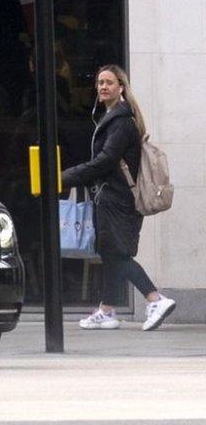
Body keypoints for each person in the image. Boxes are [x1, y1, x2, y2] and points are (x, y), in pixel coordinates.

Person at [62, 65, 176, 331]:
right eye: (100, 82)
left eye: (109, 83)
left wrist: (64, 177)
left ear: (121, 87)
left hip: (118, 200)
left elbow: (105, 161)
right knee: (110, 253)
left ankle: (155, 298)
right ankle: (107, 310)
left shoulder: (121, 122)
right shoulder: (114, 118)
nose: (103, 87)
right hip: (110, 197)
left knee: (119, 254)